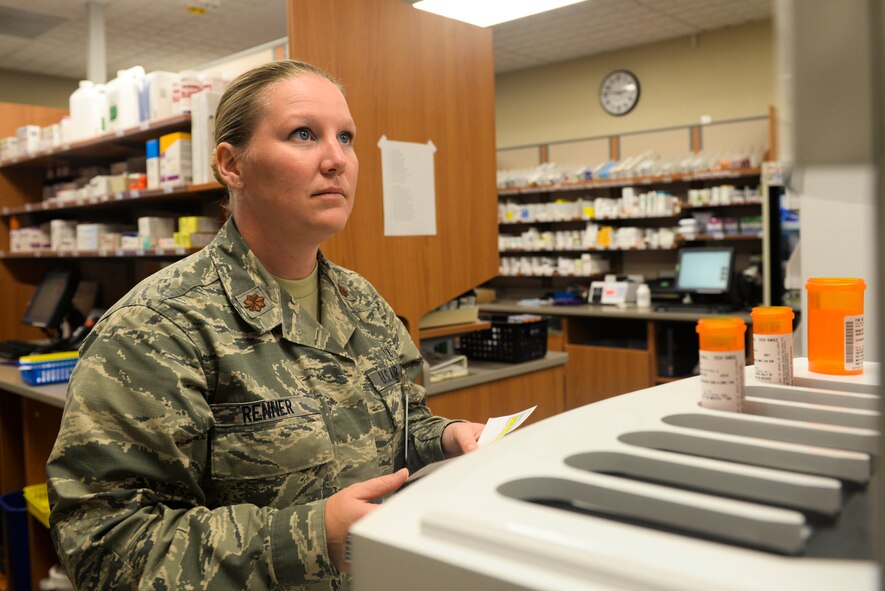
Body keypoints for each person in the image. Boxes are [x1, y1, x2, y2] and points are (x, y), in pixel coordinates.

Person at [47, 59, 484, 590]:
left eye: (346, 138)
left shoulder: (361, 301)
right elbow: (105, 545)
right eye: (303, 134)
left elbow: (402, 428)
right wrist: (308, 536)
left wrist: (447, 438)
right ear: (232, 165)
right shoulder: (158, 328)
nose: (336, 160)